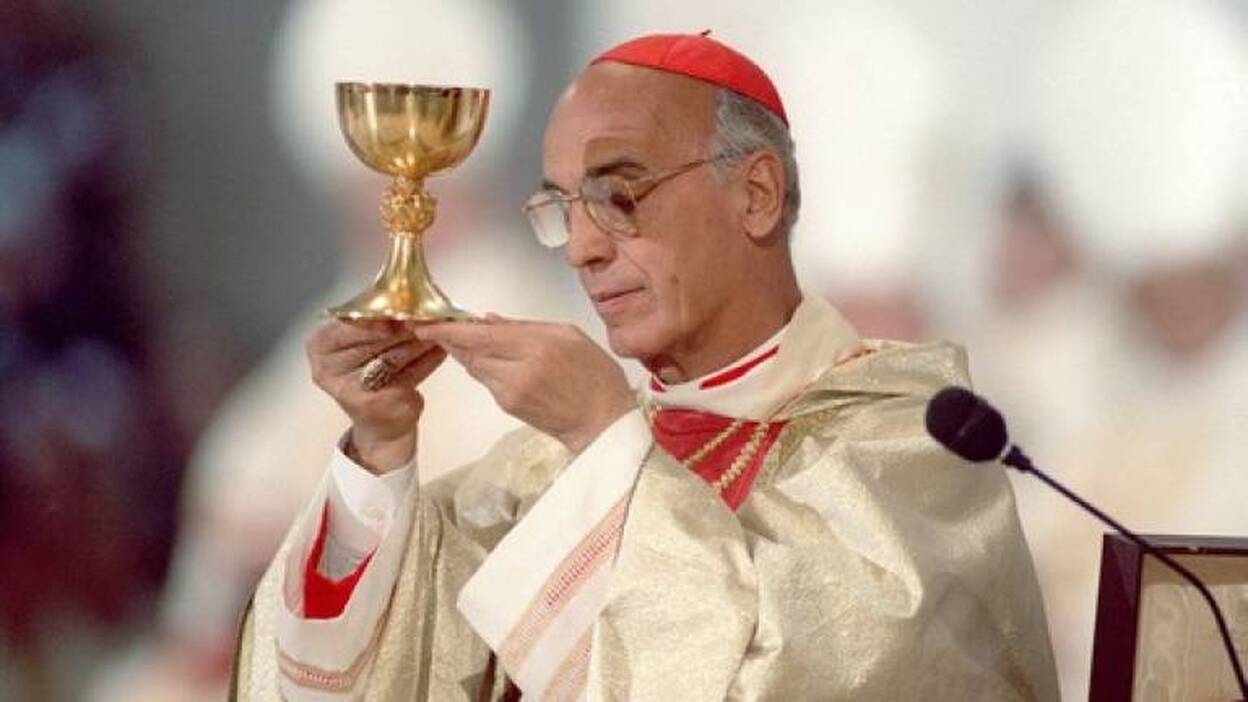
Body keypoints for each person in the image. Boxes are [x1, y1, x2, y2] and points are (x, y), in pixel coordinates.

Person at [233, 33, 1057, 700]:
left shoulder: (915, 445)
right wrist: (379, 453)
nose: (583, 249)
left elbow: (811, 676)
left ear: (756, 195)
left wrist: (604, 438)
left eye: (621, 196)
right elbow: (378, 669)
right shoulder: (543, 471)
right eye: (562, 208)